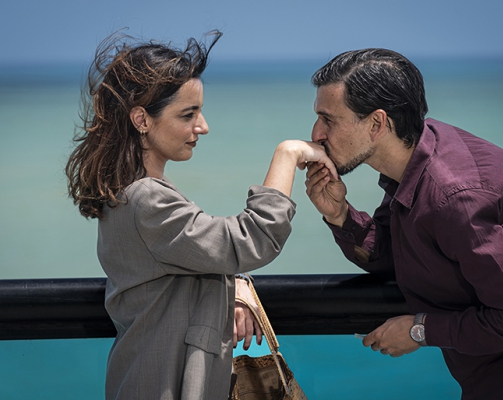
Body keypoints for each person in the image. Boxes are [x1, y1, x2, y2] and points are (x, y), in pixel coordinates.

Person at [65, 30, 337, 400]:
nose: (203, 126)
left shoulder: (132, 194)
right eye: (188, 114)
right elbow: (251, 239)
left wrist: (234, 281)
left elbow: (196, 256)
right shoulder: (146, 199)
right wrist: (287, 154)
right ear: (141, 119)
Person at [304, 48, 503, 400]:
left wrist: (420, 330)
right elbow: (397, 257)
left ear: (377, 124)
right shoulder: (418, 157)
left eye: (328, 119)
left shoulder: (453, 197)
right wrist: (339, 214)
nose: (316, 133)